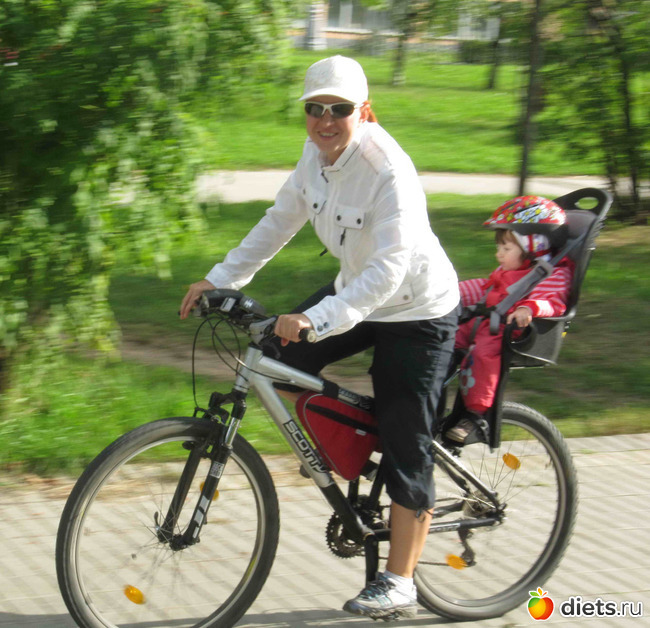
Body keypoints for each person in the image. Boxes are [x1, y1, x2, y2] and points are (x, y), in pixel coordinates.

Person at [180, 55, 460, 620]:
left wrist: (318, 318)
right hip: (356, 291)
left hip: (416, 312)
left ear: (365, 111)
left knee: (405, 441)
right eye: (315, 109)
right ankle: (363, 442)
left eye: (340, 109)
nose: (326, 120)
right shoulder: (316, 155)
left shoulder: (390, 171)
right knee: (274, 357)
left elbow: (389, 269)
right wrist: (221, 279)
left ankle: (400, 581)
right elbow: (279, 220)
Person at [446, 195, 573, 444]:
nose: (499, 254)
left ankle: (475, 415)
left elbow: (553, 301)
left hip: (510, 330)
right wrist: (451, 291)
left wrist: (529, 308)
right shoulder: (509, 272)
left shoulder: (550, 275)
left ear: (534, 247)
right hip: (484, 323)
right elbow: (486, 288)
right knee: (442, 336)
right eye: (499, 248)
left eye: (506, 249)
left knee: (482, 355)